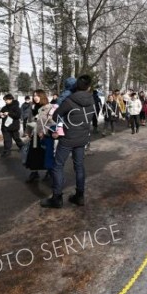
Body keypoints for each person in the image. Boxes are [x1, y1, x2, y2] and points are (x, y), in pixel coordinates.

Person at [41, 75, 95, 209]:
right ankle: (80, 196)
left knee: (58, 166)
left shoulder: (70, 100)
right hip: (82, 138)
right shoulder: (92, 99)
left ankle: (57, 198)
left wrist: (62, 126)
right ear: (89, 87)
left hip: (68, 138)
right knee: (79, 166)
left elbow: (56, 115)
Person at [25, 90, 56, 183]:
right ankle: (34, 172)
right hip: (34, 135)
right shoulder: (33, 107)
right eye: (34, 95)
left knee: (46, 154)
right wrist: (27, 132)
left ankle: (50, 172)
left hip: (45, 136)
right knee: (33, 154)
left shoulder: (49, 107)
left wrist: (44, 131)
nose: (35, 97)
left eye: (37, 95)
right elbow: (29, 121)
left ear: (42, 96)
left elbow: (53, 123)